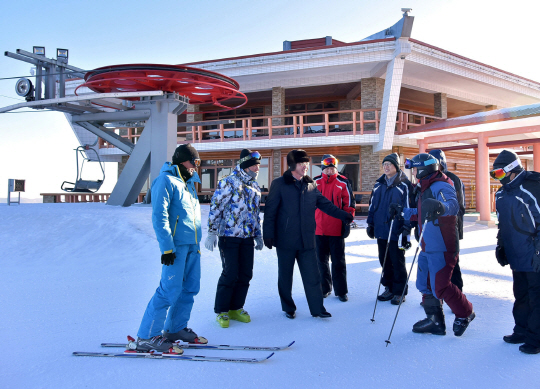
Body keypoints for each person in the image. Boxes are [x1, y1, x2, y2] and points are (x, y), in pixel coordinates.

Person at [389, 153, 475, 337]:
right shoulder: (424, 187)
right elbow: (421, 213)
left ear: (423, 168)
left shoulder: (441, 185)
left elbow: (452, 205)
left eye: (415, 169)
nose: (413, 172)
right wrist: (402, 212)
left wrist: (440, 207)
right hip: (427, 244)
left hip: (443, 245)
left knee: (441, 286)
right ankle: (435, 320)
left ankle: (465, 312)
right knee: (424, 284)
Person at [263, 149, 354, 319]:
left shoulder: (311, 185)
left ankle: (318, 308)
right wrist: (268, 233)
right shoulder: (280, 184)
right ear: (292, 165)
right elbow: (270, 211)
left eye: (306, 163)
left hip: (307, 240)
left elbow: (325, 205)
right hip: (285, 241)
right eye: (301, 163)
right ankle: (288, 307)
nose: (305, 166)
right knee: (286, 277)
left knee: (313, 276)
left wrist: (344, 215)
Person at [133, 143, 207, 353]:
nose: (196, 166)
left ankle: (175, 329)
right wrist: (167, 248)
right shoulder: (165, 181)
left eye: (197, 162)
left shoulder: (189, 183)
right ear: (182, 160)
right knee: (169, 290)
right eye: (194, 161)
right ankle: (146, 336)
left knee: (190, 288)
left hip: (193, 245)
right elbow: (160, 217)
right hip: (175, 247)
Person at [206, 149, 263, 328]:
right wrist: (212, 231)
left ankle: (236, 307)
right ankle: (222, 310)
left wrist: (258, 235)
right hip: (229, 236)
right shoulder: (228, 183)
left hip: (247, 237)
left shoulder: (254, 187)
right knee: (230, 273)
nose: (258, 168)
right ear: (246, 166)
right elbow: (216, 207)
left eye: (259, 164)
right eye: (255, 164)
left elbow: (255, 214)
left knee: (246, 273)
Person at [492, 150, 540, 354]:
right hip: (516, 254)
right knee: (520, 294)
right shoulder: (501, 194)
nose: (498, 178)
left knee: (536, 297)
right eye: (494, 174)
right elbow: (502, 224)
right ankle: (521, 330)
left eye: (500, 173)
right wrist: (501, 245)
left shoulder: (530, 189)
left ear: (512, 170)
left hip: (533, 254)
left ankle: (536, 338)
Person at [367, 153, 413, 305]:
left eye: (389, 164)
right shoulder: (378, 184)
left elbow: (408, 208)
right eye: (384, 164)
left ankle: (399, 291)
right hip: (381, 229)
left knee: (397, 261)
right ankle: (389, 287)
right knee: (384, 259)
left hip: (396, 229)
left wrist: (406, 228)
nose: (386, 167)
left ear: (396, 166)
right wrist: (371, 224)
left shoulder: (404, 185)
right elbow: (373, 206)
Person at [314, 154, 356, 302]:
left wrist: (346, 222)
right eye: (327, 168)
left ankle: (341, 291)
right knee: (321, 261)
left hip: (336, 229)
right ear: (322, 168)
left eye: (332, 168)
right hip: (318, 229)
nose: (330, 171)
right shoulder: (315, 183)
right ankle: (324, 288)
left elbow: (349, 204)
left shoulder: (343, 183)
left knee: (338, 261)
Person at [429, 149, 465, 291]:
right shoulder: (427, 180)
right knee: (434, 263)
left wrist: (441, 211)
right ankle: (436, 294)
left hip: (449, 229)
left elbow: (459, 207)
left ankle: (457, 294)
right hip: (433, 230)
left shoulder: (452, 180)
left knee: (451, 264)